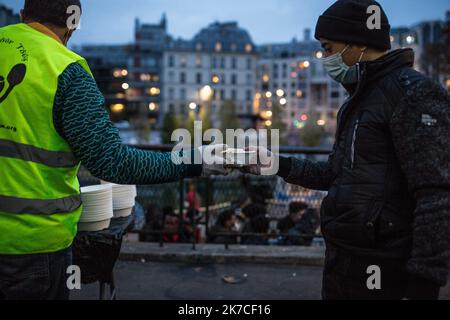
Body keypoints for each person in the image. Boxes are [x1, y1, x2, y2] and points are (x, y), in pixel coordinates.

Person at [0, 0, 229, 300]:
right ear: (72, 26)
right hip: (31, 247)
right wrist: (195, 160)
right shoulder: (66, 72)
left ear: (22, 15)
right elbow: (114, 163)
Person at [244, 0, 450, 300]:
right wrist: (272, 163)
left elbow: (437, 193)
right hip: (346, 257)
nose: (324, 58)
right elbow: (334, 174)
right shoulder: (359, 100)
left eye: (328, 48)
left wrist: (424, 283)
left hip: (383, 264)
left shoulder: (413, 93)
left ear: (358, 45)